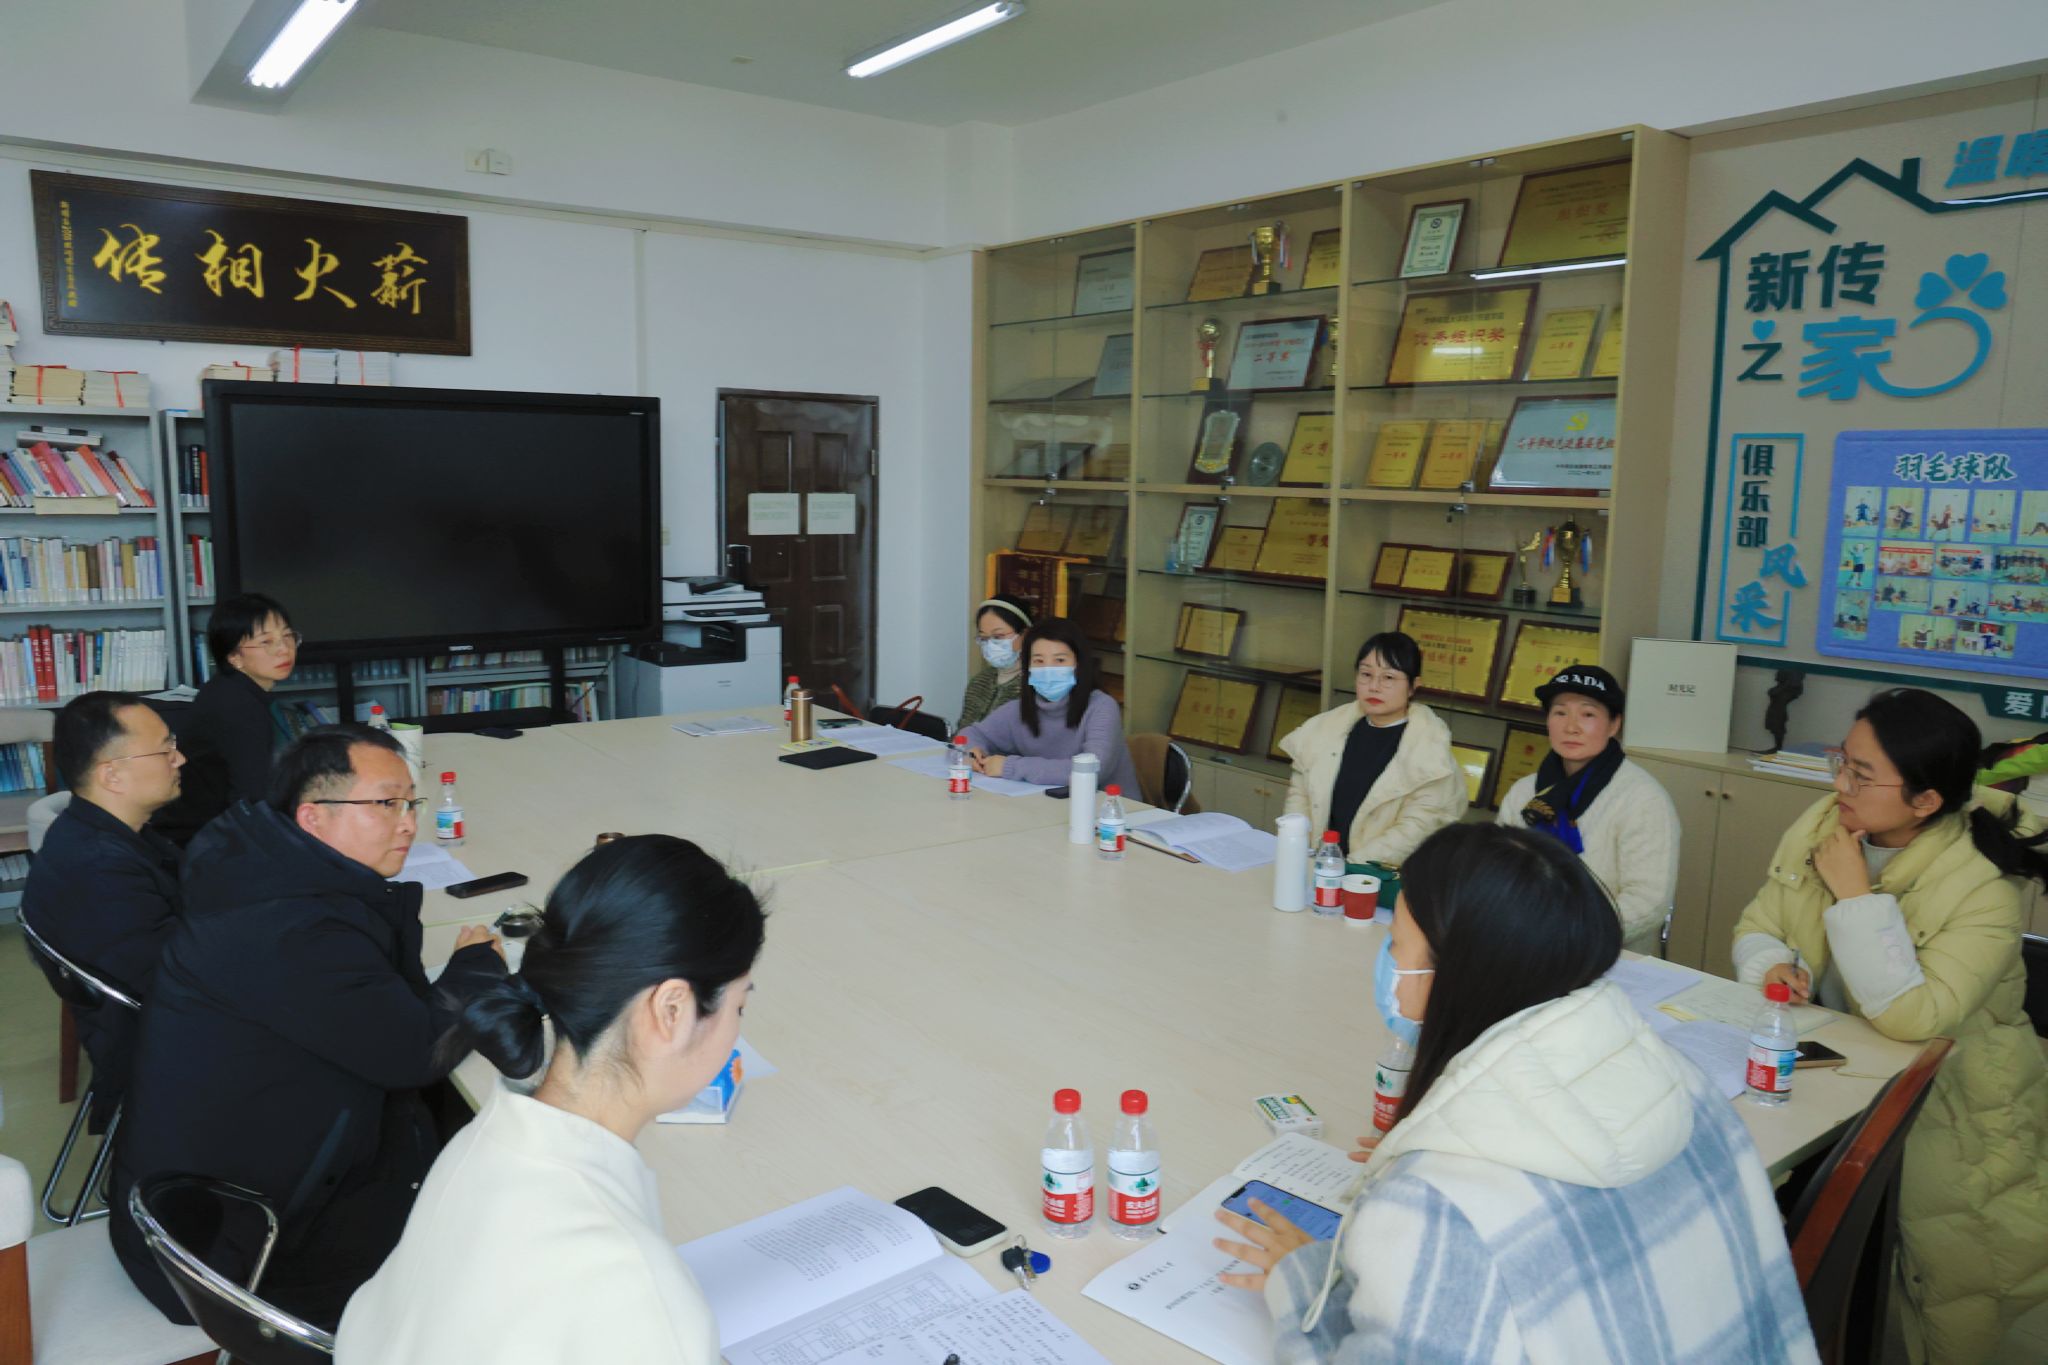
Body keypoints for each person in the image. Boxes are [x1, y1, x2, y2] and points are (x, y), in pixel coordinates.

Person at [1214, 823, 1817, 1361]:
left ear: (1455, 976)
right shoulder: (1688, 1086)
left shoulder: (1435, 1209)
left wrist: (1303, 1287)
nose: (1388, 962)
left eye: (1395, 944)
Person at [111, 723, 507, 1330]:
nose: (408, 824)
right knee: (505, 1230)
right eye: (385, 804)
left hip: (229, 1196)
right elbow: (415, 1052)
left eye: (411, 803)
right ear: (312, 817)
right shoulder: (291, 931)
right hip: (242, 1252)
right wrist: (477, 970)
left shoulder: (266, 872)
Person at [335, 834, 767, 1362]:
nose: (736, 1030)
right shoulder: (636, 1288)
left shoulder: (481, 1141)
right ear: (671, 1010)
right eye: (739, 1007)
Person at [1731, 688, 2048, 1362]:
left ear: (1925, 800)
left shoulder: (1983, 886)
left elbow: (1913, 1017)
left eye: (1861, 774)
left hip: (1953, 1105)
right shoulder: (1826, 825)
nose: (1839, 785)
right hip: (1834, 1077)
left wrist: (1855, 893)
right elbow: (1759, 921)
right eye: (1842, 763)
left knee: (1952, 1288)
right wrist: (1771, 963)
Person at [21, 692, 187, 1131]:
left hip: (147, 1017)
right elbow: (177, 982)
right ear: (112, 775)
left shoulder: (96, 830)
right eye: (166, 748)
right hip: (162, 1047)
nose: (180, 759)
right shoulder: (100, 867)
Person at [1497, 664, 1679, 954]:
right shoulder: (1524, 791)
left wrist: (1568, 935)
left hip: (1609, 954)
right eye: (1560, 713)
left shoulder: (1643, 799)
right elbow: (1499, 873)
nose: (1571, 727)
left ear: (1614, 724)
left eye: (1588, 714)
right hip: (1523, 946)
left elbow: (1648, 901)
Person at [1277, 631, 1465, 863]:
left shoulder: (1431, 753)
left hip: (1379, 874)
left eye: (1388, 678)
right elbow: (1300, 798)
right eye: (1366, 674)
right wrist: (1300, 850)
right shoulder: (1322, 731)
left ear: (1413, 686)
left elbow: (1417, 829)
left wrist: (1351, 867)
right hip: (1316, 865)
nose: (1374, 687)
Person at [151, 593, 300, 845]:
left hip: (217, 827)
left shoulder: (233, 690)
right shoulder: (237, 706)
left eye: (287, 636)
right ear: (234, 657)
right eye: (266, 642)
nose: (284, 649)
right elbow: (252, 797)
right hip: (208, 839)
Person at [962, 617, 1138, 791]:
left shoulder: (1102, 706)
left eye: (1060, 660)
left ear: (1079, 663)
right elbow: (971, 733)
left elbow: (1093, 769)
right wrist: (971, 752)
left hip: (1109, 805)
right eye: (1038, 661)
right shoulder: (1018, 708)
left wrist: (1011, 767)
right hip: (1049, 802)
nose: (1048, 669)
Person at [957, 594, 1032, 730]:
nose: (990, 644)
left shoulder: (1037, 684)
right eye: (984, 638)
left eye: (998, 636)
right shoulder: (979, 681)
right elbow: (962, 731)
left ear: (1024, 635)